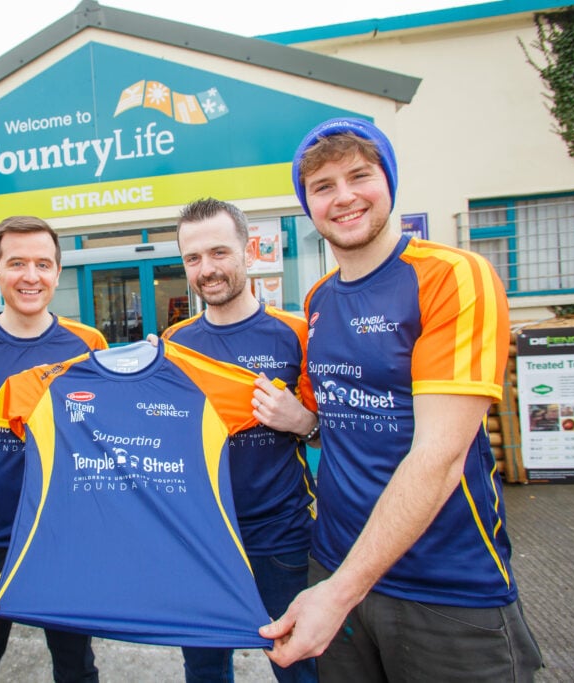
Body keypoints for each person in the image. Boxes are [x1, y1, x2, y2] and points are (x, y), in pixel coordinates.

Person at [256, 118, 542, 681]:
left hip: (445, 587)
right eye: (322, 187)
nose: (344, 198)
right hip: (334, 564)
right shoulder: (318, 298)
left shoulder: (453, 277)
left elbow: (438, 459)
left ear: (388, 181)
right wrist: (304, 423)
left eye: (359, 176)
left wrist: (337, 594)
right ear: (306, 205)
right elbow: (339, 422)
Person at [0, 216, 106, 683]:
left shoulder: (87, 344)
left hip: (64, 535)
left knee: (75, 665)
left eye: (43, 264)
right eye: (17, 263)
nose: (31, 276)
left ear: (57, 272)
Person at [161, 198, 318, 683]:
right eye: (192, 258)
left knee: (299, 666)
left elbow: (329, 429)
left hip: (281, 537)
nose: (206, 269)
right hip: (202, 540)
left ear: (247, 250)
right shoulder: (174, 344)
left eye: (219, 252)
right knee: (205, 671)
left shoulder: (295, 333)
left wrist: (302, 420)